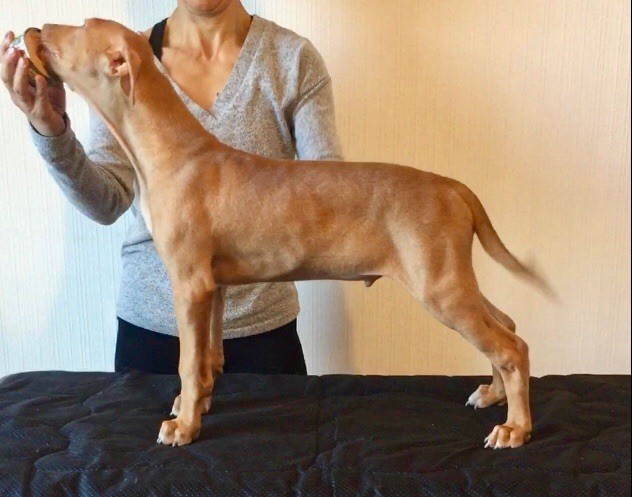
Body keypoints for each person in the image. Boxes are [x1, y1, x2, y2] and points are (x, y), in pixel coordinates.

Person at [0, 0, 343, 374]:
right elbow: (107, 203)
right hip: (152, 335)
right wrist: (52, 132)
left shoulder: (292, 58)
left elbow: (328, 197)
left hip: (264, 333)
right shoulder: (119, 56)